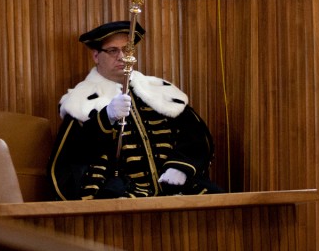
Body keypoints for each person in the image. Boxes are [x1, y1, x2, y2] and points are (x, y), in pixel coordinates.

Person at [47, 20, 221, 200]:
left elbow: (198, 137)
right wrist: (106, 118)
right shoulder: (81, 101)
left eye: (127, 50)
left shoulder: (160, 92)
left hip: (176, 189)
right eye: (113, 50)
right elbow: (70, 157)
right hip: (122, 195)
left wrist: (181, 167)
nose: (122, 57)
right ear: (96, 56)